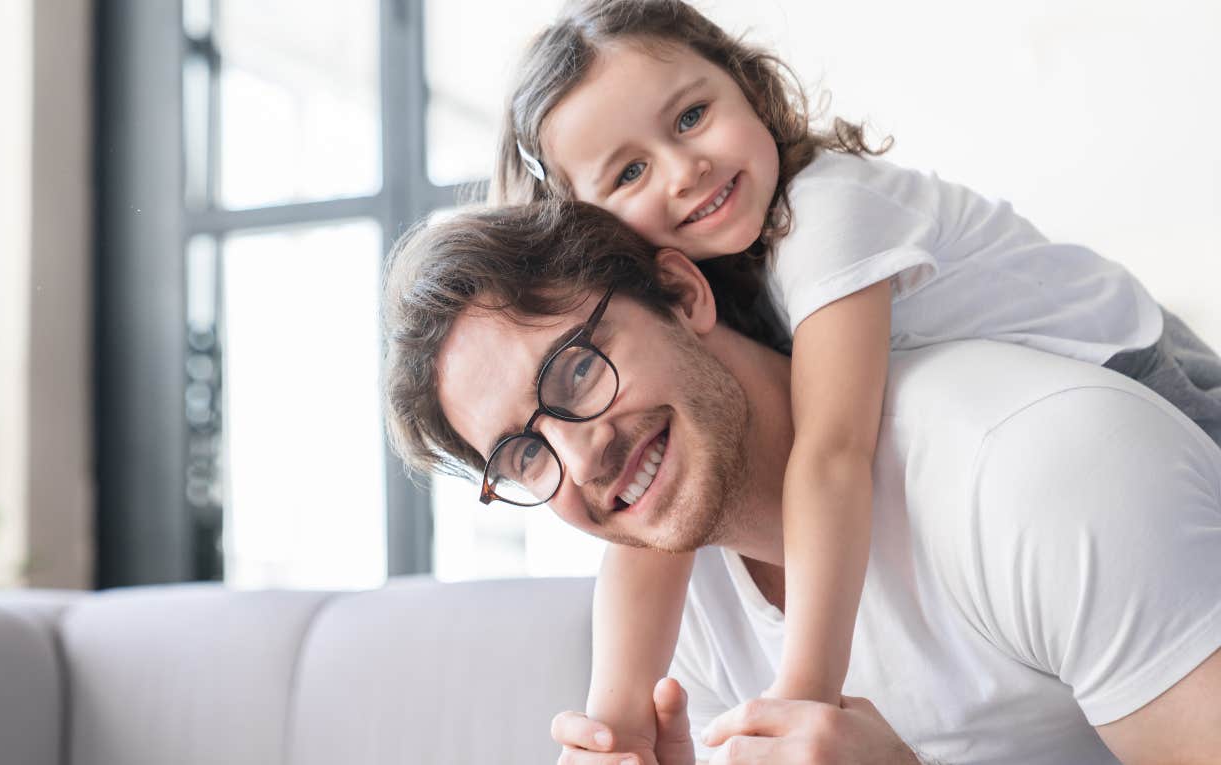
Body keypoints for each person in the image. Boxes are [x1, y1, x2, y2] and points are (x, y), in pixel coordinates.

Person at [488, 0, 1221, 755]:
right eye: (631, 171)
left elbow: (832, 452)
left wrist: (803, 694)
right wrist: (614, 725)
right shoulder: (712, 283)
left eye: (691, 116)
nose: (686, 168)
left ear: (745, 83)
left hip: (1164, 394)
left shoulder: (826, 216)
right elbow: (649, 541)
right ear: (594, 229)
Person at [380, 200, 1221, 763]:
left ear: (680, 294)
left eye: (572, 370)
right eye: (524, 453)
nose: (581, 454)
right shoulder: (686, 623)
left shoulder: (1031, 472)